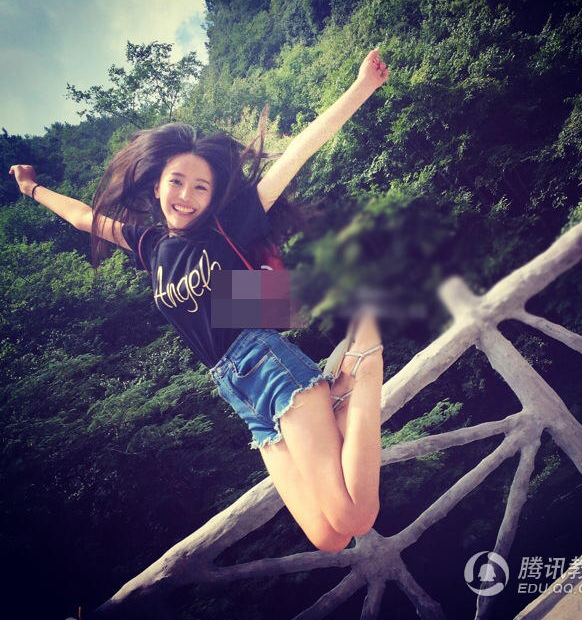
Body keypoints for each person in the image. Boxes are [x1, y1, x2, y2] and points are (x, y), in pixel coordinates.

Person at [9, 48, 389, 553]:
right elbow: (84, 218)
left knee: (355, 515)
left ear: (213, 197)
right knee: (329, 538)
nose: (186, 195)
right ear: (158, 186)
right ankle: (336, 391)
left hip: (264, 361)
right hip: (233, 388)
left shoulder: (226, 227)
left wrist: (362, 87)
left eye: (200, 187)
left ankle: (365, 359)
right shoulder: (149, 245)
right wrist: (32, 189)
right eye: (176, 182)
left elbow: (296, 154)